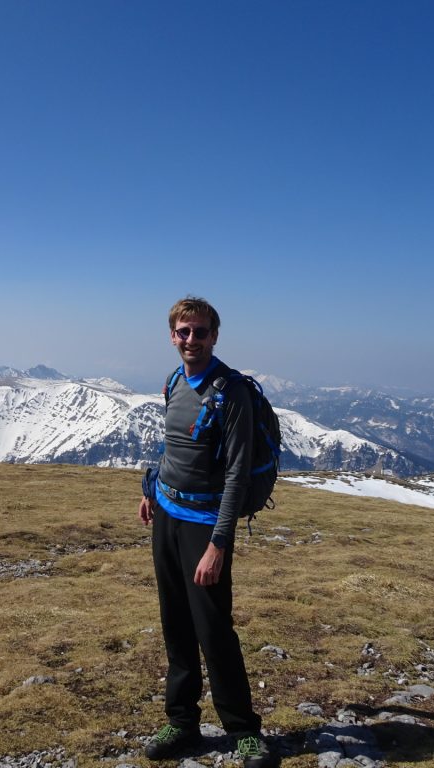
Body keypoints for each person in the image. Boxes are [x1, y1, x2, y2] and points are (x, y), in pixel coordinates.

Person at [138, 297, 275, 767]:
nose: (190, 340)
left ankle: (242, 730)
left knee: (214, 630)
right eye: (183, 332)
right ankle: (181, 722)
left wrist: (219, 544)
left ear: (215, 336)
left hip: (204, 527)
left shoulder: (230, 391)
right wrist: (151, 489)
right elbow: (173, 447)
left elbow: (237, 473)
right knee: (175, 623)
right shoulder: (175, 380)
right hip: (168, 518)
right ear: (172, 335)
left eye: (199, 332)